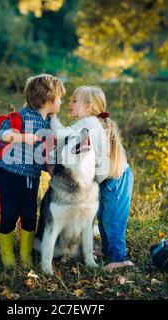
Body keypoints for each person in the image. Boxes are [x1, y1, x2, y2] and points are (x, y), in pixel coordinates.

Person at [50, 86, 134, 271]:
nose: (69, 104)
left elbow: (61, 135)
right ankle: (106, 250)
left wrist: (51, 117)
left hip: (116, 180)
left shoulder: (88, 121)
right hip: (107, 181)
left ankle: (120, 257)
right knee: (103, 216)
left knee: (112, 220)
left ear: (88, 107)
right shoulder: (91, 122)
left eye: (73, 100)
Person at [0, 74, 65, 270]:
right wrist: (22, 137)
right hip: (10, 174)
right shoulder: (22, 116)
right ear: (47, 98)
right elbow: (4, 133)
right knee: (9, 214)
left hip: (32, 177)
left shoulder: (50, 123)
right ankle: (8, 256)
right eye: (59, 97)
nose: (61, 101)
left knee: (29, 215)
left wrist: (53, 170)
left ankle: (25, 255)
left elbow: (48, 154)